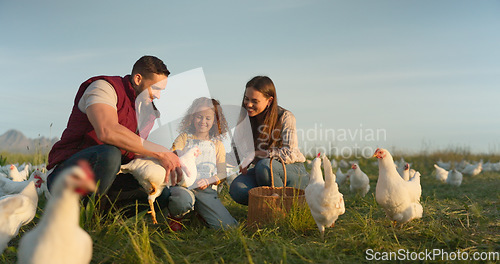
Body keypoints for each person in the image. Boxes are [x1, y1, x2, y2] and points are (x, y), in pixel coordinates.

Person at [46, 56, 192, 219]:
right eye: (156, 88)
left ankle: (104, 218)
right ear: (138, 79)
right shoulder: (104, 88)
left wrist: (173, 156)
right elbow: (107, 131)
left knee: (161, 196)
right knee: (109, 154)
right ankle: (81, 218)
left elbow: (135, 151)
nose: (158, 96)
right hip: (68, 174)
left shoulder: (146, 111)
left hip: (110, 178)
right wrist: (161, 152)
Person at [229, 76, 308, 205]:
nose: (248, 104)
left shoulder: (285, 117)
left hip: (290, 170)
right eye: (246, 99)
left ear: (269, 101)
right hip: (263, 172)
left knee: (265, 166)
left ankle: (283, 209)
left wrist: (257, 154)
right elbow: (235, 153)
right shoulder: (244, 119)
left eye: (254, 101)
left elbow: (290, 153)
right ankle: (266, 209)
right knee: (237, 188)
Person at [170, 97, 238, 229]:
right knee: (181, 200)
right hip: (184, 186)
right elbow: (173, 155)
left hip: (205, 189)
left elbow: (222, 173)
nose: (203, 121)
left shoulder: (217, 144)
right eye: (199, 117)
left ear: (214, 121)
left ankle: (200, 212)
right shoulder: (184, 138)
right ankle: (176, 216)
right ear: (192, 117)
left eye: (208, 118)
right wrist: (180, 154)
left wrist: (209, 180)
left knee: (228, 227)